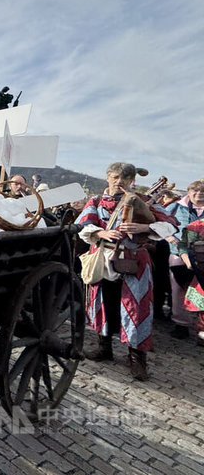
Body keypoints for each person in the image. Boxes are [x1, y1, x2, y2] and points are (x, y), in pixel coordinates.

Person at [75, 162, 177, 380]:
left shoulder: (145, 201)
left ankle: (137, 358)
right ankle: (104, 347)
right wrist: (101, 234)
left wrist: (145, 228)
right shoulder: (95, 201)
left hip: (135, 261)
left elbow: (171, 223)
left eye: (124, 177)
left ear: (133, 181)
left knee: (136, 307)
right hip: (102, 259)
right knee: (102, 303)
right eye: (114, 176)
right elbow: (84, 224)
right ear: (108, 177)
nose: (118, 181)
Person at [167, 181, 204, 341]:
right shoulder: (176, 207)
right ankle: (181, 324)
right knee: (178, 290)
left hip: (202, 257)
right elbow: (159, 222)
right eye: (195, 190)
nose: (199, 193)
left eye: (203, 191)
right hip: (178, 254)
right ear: (189, 191)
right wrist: (168, 237)